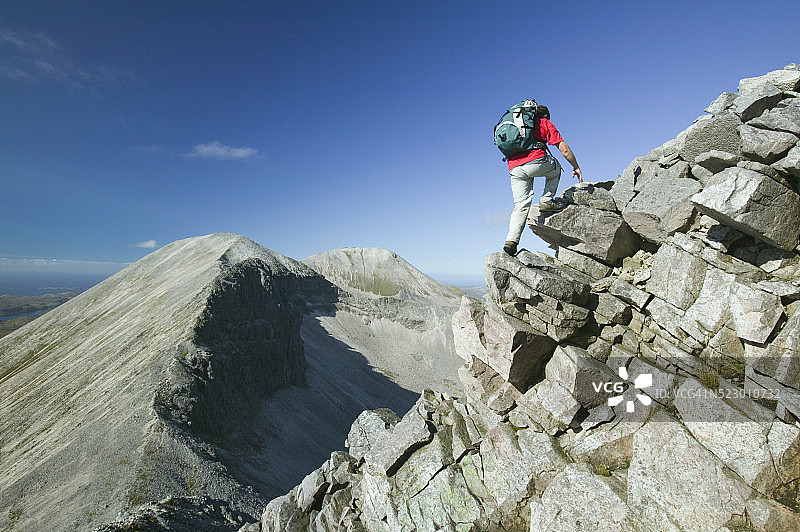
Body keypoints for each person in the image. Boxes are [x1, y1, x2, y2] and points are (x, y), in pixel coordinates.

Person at [503, 105, 582, 256]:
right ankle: (546, 200)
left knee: (520, 206)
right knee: (556, 169)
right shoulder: (545, 122)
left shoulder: (520, 124)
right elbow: (564, 149)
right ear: (545, 115)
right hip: (536, 161)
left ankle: (511, 241)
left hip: (514, 167)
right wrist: (576, 167)